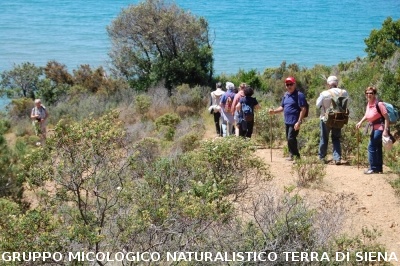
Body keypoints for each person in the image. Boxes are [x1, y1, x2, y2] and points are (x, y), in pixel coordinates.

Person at [269, 77, 307, 161]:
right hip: (287, 121)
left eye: (291, 84)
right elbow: (282, 107)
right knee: (288, 139)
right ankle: (291, 155)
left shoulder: (299, 95)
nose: (289, 86)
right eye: (287, 84)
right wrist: (274, 111)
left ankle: (297, 156)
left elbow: (303, 109)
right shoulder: (286, 95)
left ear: (294, 84)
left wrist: (299, 122)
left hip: (295, 121)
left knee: (291, 138)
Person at [356, 87, 390, 174]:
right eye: (367, 93)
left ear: (374, 94)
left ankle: (373, 168)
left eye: (370, 93)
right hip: (373, 128)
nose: (368, 95)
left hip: (379, 128)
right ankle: (378, 168)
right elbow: (367, 115)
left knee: (371, 147)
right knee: (377, 148)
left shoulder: (379, 104)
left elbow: (386, 118)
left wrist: (386, 130)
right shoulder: (369, 104)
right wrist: (360, 122)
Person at [316, 76, 349, 165]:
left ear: (328, 84)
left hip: (325, 119)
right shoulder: (344, 92)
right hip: (339, 118)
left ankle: (322, 157)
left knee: (324, 138)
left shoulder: (324, 93)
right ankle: (337, 158)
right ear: (337, 83)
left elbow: (317, 105)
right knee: (336, 138)